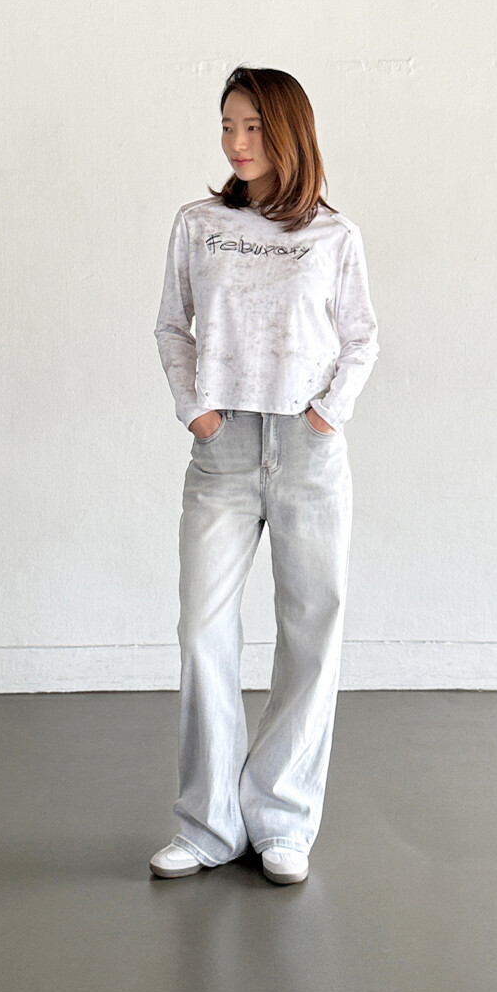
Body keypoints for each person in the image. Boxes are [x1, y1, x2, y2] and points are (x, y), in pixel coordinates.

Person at [153, 61, 377, 886]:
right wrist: (197, 412)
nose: (236, 142)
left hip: (308, 451)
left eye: (252, 126)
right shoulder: (200, 225)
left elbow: (362, 338)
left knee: (311, 631)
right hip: (223, 451)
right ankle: (208, 824)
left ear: (288, 132)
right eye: (227, 125)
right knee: (202, 630)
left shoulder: (333, 237)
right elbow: (172, 326)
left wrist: (325, 415)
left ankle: (281, 819)